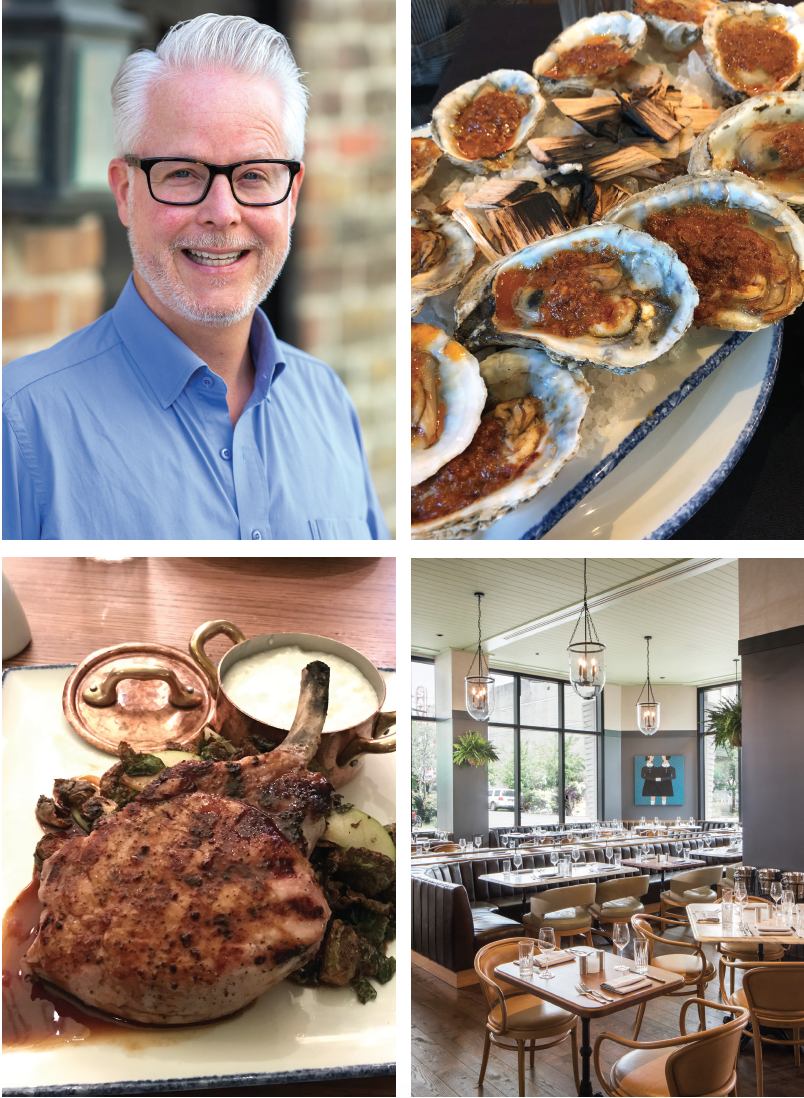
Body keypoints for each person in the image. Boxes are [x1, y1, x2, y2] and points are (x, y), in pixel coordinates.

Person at [3, 15, 389, 540]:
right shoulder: (21, 424)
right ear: (125, 191)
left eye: (254, 175)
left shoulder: (326, 400)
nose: (222, 211)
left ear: (292, 196)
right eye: (183, 173)